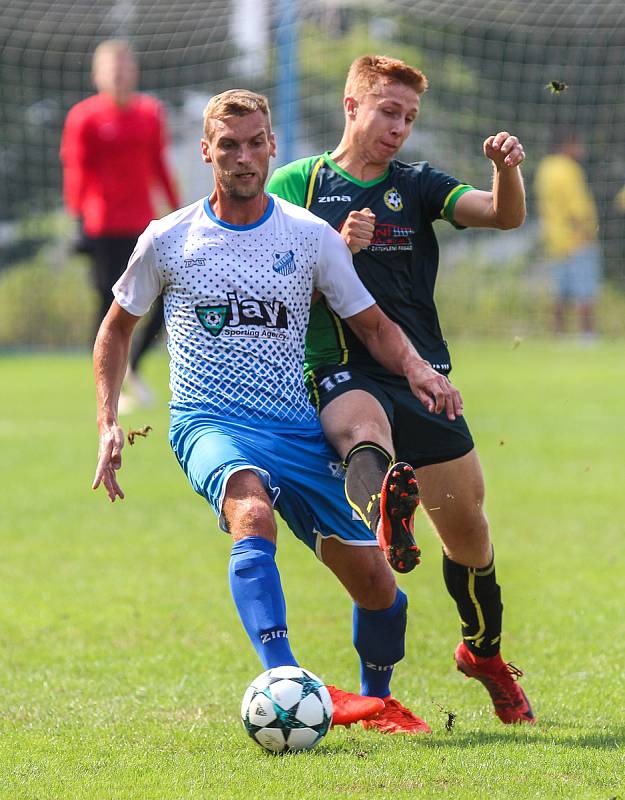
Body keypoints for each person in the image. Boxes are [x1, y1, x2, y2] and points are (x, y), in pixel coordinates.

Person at [92, 89, 464, 733]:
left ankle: (375, 702)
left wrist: (417, 369)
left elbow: (372, 326)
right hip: (210, 421)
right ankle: (285, 679)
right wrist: (107, 421)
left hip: (294, 424)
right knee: (251, 508)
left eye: (255, 142)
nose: (243, 156)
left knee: (380, 591)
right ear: (206, 151)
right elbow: (116, 330)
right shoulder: (170, 238)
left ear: (271, 147)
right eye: (228, 145)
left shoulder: (310, 236)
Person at [267, 54, 535, 726]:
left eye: (408, 117)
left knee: (469, 536)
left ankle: (483, 654)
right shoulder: (298, 184)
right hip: (339, 367)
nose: (398, 128)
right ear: (352, 105)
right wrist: (334, 246)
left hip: (420, 372)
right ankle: (385, 515)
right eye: (388, 111)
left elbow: (499, 217)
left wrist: (506, 171)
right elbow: (268, 277)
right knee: (364, 433)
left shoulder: (415, 185)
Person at [61, 39, 180, 409]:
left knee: (164, 298)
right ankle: (109, 386)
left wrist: (177, 210)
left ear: (135, 72)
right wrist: (78, 219)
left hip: (142, 226)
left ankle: (135, 368)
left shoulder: (150, 113)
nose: (119, 76)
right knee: (109, 304)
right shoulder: (84, 117)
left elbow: (159, 165)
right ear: (97, 75)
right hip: (101, 226)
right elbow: (76, 170)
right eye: (112, 70)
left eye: (125, 68)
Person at [534, 132, 601, 338]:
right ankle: (587, 337)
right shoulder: (569, 169)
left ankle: (559, 336)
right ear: (569, 144)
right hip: (577, 239)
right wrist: (587, 232)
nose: (582, 150)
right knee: (585, 292)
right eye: (579, 145)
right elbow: (576, 207)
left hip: (554, 240)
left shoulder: (545, 168)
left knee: (559, 294)